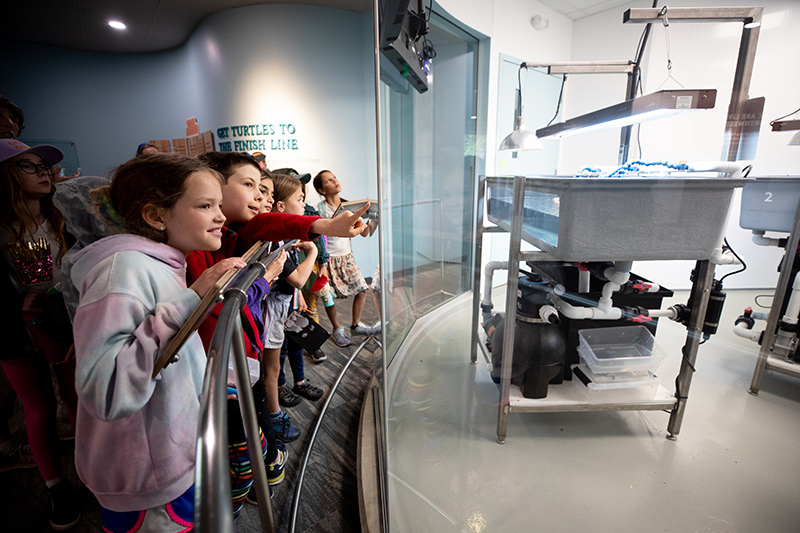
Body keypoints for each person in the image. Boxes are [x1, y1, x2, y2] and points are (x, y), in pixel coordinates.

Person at [70, 153, 246, 531]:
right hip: (147, 482)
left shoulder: (164, 262)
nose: (221, 217)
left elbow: (171, 355)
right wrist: (190, 300)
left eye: (218, 205)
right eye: (205, 206)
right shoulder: (123, 271)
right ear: (156, 216)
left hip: (173, 459)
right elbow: (106, 390)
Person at [188, 152, 368, 508]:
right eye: (249, 185)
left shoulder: (234, 233)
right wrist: (267, 278)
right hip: (218, 368)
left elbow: (267, 225)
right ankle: (249, 487)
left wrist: (322, 227)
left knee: (250, 421)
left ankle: (259, 473)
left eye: (262, 188)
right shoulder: (199, 247)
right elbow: (216, 306)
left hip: (239, 354)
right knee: (239, 436)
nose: (259, 197)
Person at [0, 139, 81, 529]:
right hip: (13, 330)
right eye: (29, 166)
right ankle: (56, 487)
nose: (43, 172)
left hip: (63, 319)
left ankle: (91, 472)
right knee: (39, 409)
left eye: (43, 165)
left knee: (76, 398)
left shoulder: (62, 217)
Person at [272, 167, 347, 353]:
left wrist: (322, 262)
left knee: (327, 298)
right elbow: (295, 277)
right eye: (297, 195)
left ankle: (336, 328)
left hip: (313, 269)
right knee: (308, 307)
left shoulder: (309, 211)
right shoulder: (278, 235)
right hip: (299, 274)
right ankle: (314, 345)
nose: (302, 193)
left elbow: (322, 239)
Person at [266, 174, 324, 414]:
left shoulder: (286, 236)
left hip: (288, 300)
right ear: (281, 206)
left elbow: (294, 282)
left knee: (297, 341)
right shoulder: (275, 240)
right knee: (277, 353)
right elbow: (298, 277)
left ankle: (299, 382)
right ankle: (279, 389)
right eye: (300, 199)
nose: (303, 204)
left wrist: (297, 295)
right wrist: (311, 251)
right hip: (275, 306)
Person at [313, 169, 381, 337]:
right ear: (321, 190)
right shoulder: (318, 210)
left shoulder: (350, 207)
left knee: (362, 289)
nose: (335, 181)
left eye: (335, 177)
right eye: (329, 180)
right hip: (327, 260)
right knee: (327, 296)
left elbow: (365, 232)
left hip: (347, 257)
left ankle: (355, 325)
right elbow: (317, 238)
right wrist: (322, 263)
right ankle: (337, 328)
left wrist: (376, 217)